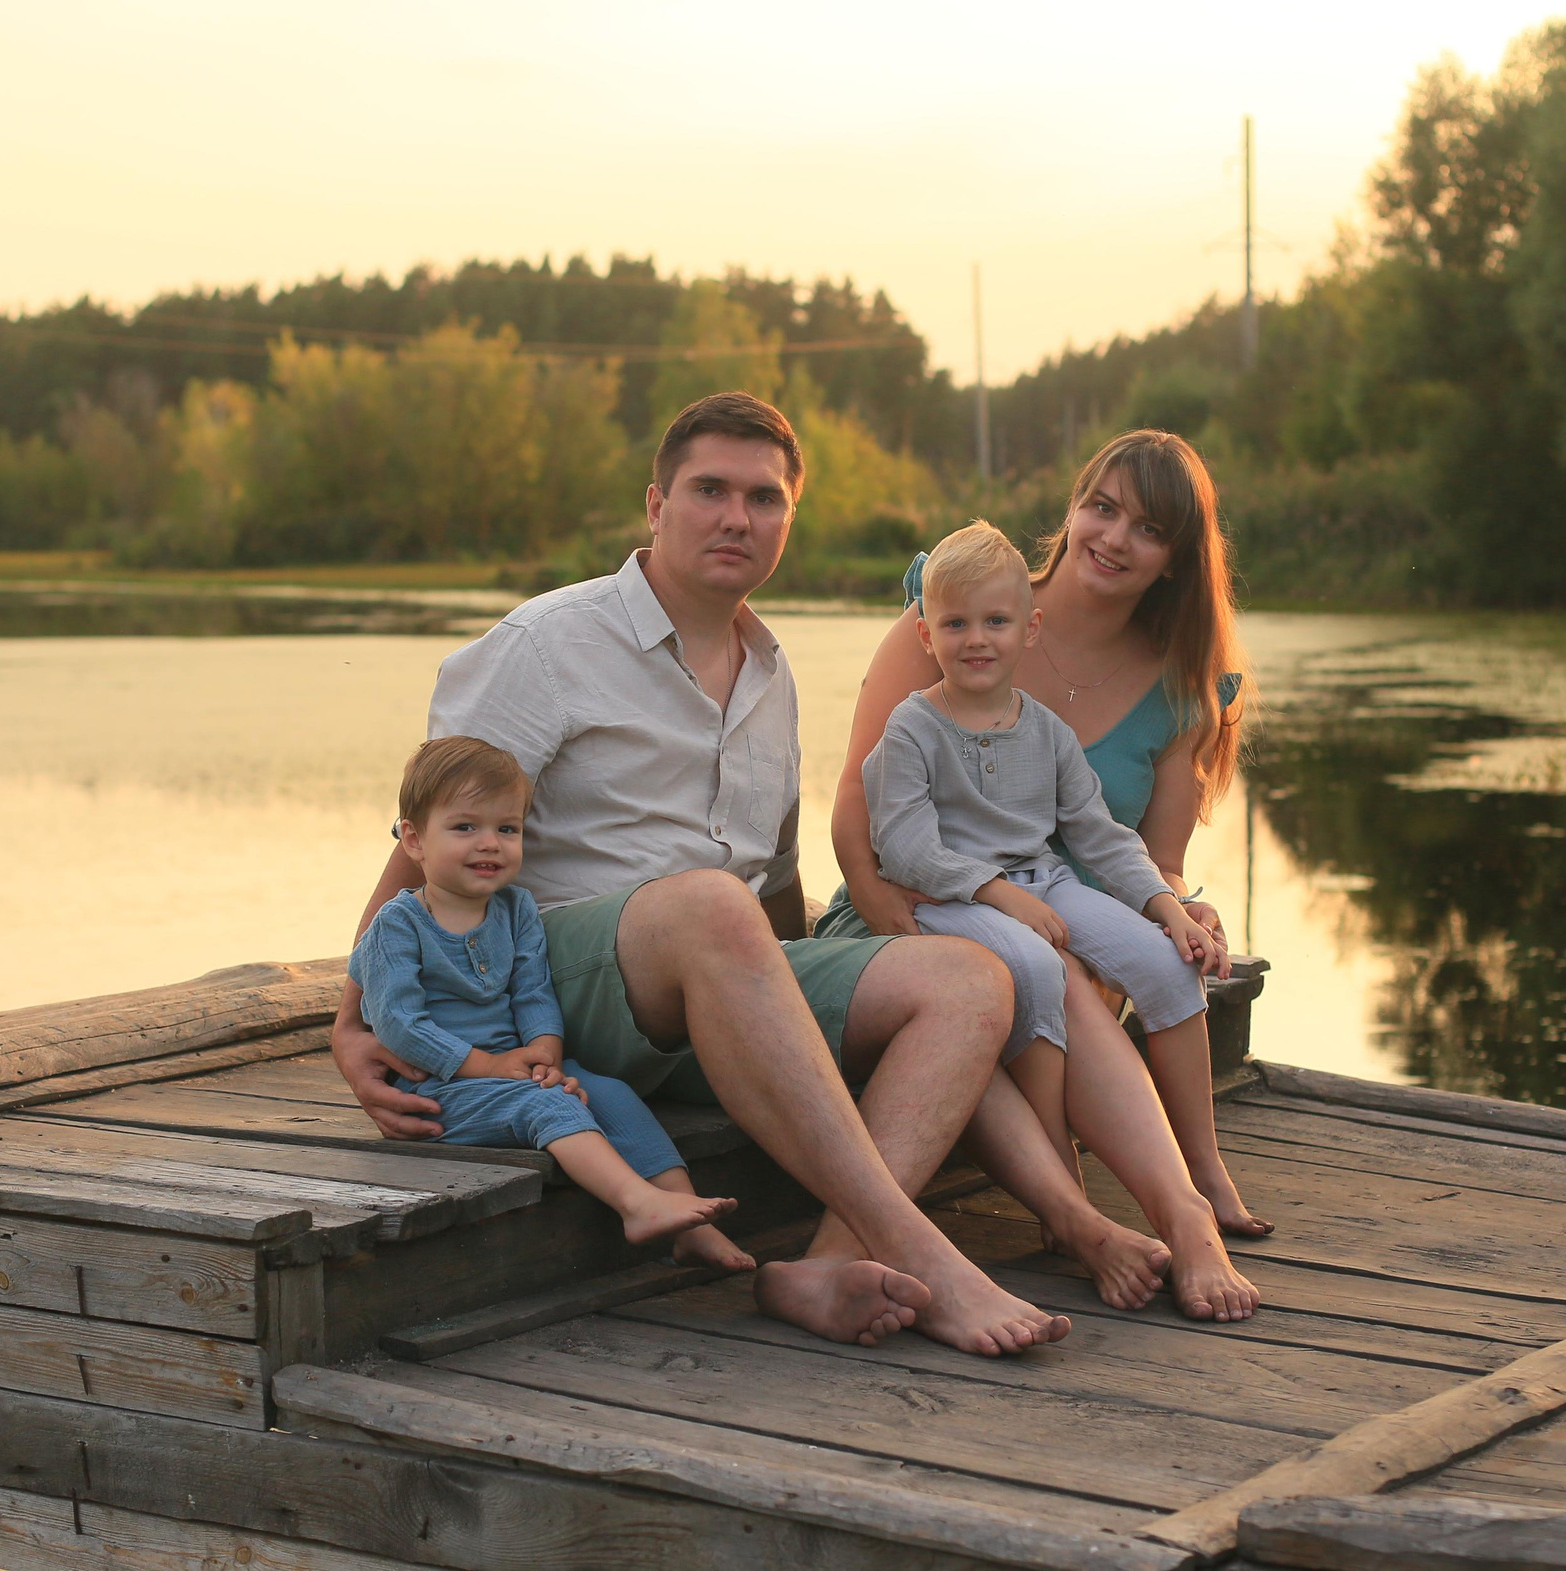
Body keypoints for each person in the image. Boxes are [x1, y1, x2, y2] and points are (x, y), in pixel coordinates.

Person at [333, 391, 1071, 1357]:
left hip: (716, 972)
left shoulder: (770, 670)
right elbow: (428, 838)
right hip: (551, 981)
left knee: (972, 978)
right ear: (656, 505)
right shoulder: (545, 645)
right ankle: (924, 1252)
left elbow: (777, 889)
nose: (737, 517)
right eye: (710, 490)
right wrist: (351, 1021)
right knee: (711, 906)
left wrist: (817, 1002)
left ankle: (826, 1264)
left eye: (764, 498)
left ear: (788, 520)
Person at [821, 430, 1264, 1321]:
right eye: (1102, 507)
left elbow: (1145, 853)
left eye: (1148, 527)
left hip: (1062, 915)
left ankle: (1191, 1185)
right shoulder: (963, 604)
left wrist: (1175, 906)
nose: (1114, 537)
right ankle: (1140, 1210)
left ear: (1176, 559)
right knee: (1035, 968)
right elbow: (861, 811)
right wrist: (901, 919)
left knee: (1104, 961)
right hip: (916, 905)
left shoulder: (1180, 688)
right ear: (1072, 508)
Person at [352, 735, 741, 1259]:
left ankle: (688, 1218)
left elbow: (533, 992)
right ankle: (636, 1205)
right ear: (414, 840)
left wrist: (544, 1054)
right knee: (547, 1105)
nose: (489, 843)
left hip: (510, 1069)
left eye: (506, 829)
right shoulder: (397, 925)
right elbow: (400, 1024)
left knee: (610, 1094)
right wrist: (492, 1067)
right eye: (465, 827)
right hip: (438, 1093)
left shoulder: (515, 910)